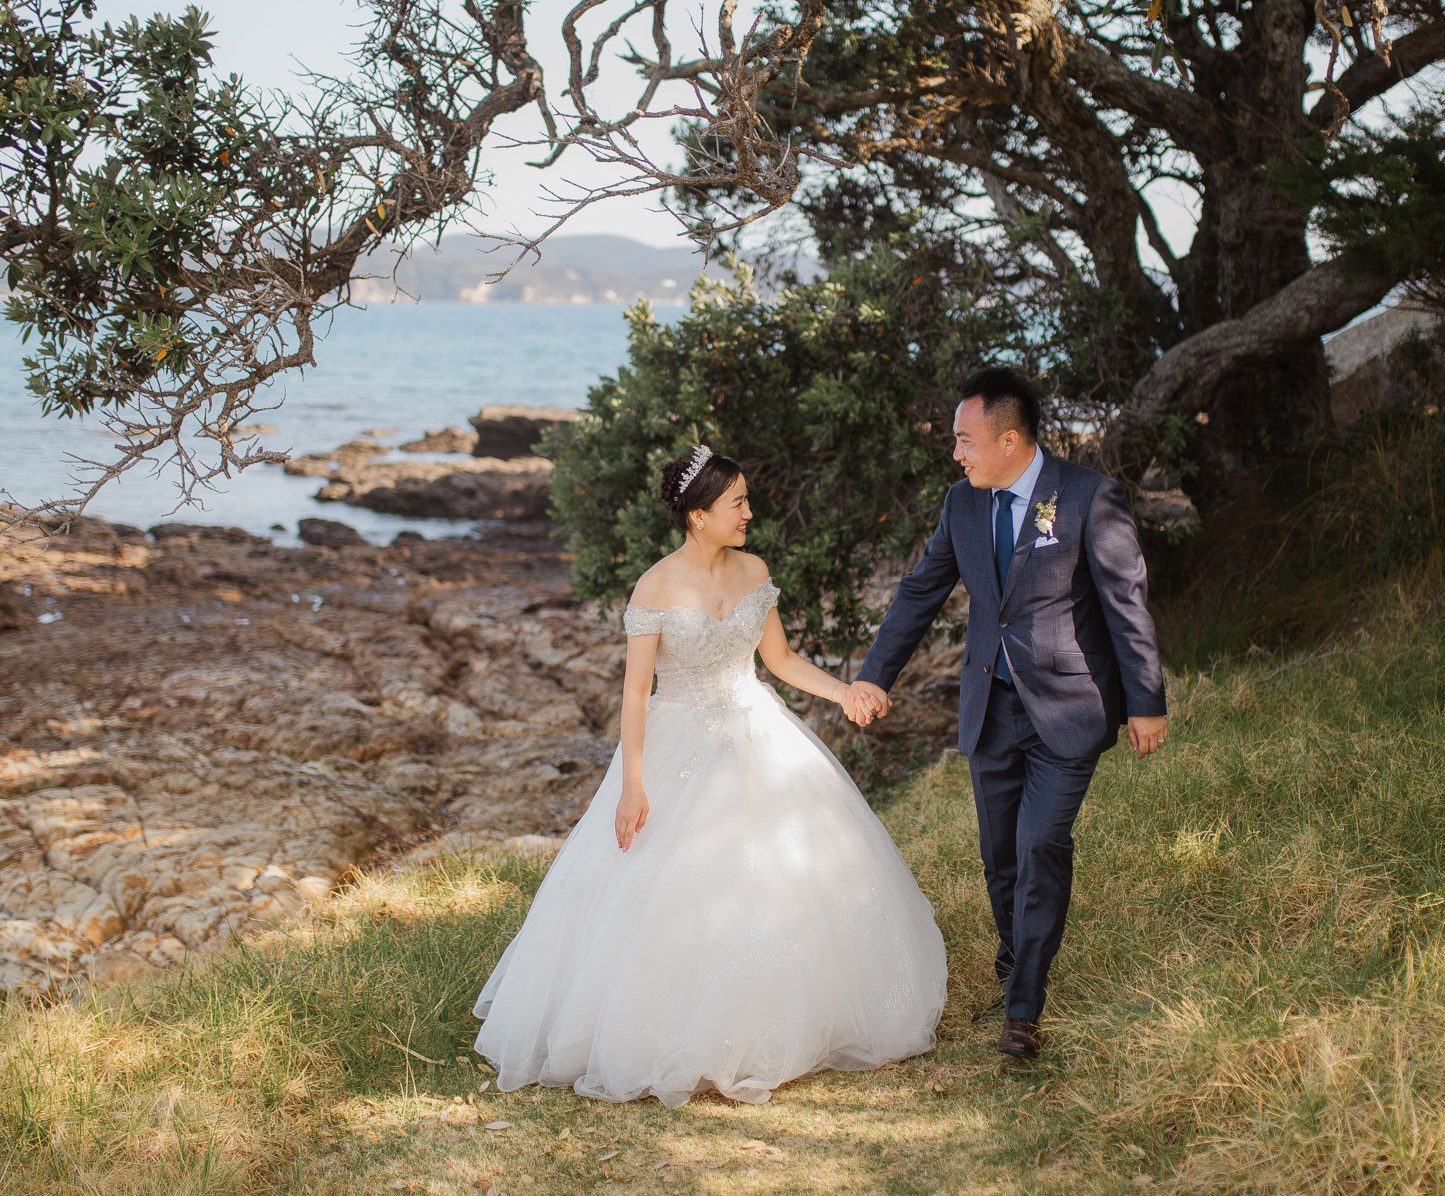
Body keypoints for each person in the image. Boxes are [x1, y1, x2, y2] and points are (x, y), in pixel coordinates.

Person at [473, 445, 947, 1106]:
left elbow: (778, 658)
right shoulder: (655, 585)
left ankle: (783, 1018)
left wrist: (843, 692)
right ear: (699, 515)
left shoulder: (755, 569)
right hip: (678, 739)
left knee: (784, 871)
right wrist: (634, 782)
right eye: (737, 503)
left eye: (747, 500)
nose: (750, 512)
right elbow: (636, 693)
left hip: (757, 726)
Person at [844, 366, 1168, 1059]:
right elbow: (919, 592)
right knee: (999, 857)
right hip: (988, 709)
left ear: (1010, 439)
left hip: (1070, 712)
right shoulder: (962, 505)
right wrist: (874, 676)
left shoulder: (1087, 497)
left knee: (1040, 845)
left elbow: (1126, 605)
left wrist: (1145, 702)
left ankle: (1023, 1007)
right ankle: (1016, 953)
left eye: (965, 440)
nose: (956, 454)